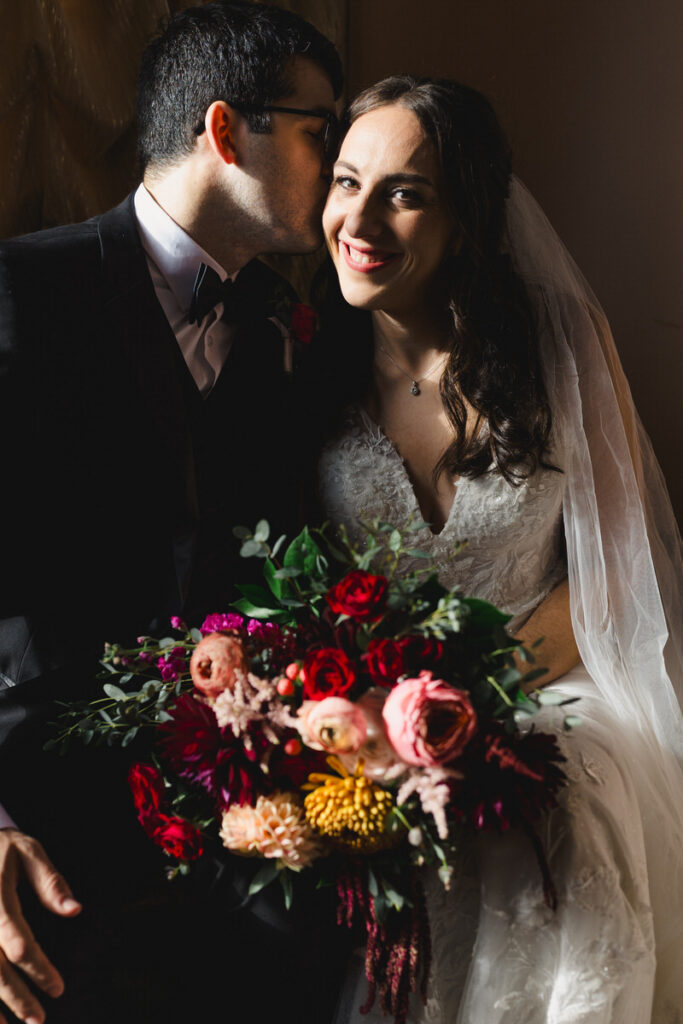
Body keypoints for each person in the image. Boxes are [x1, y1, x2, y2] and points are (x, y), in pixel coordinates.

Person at [0, 4, 348, 1023]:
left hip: (227, 830)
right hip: (43, 814)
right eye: (317, 129)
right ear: (226, 131)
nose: (334, 161)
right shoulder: (23, 288)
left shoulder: (289, 332)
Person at [310, 75, 683, 1022]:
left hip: (549, 675)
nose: (360, 220)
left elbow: (615, 576)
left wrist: (468, 710)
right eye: (346, 182)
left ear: (466, 217)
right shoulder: (297, 356)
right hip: (365, 715)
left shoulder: (559, 345)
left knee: (556, 810)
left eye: (405, 192)